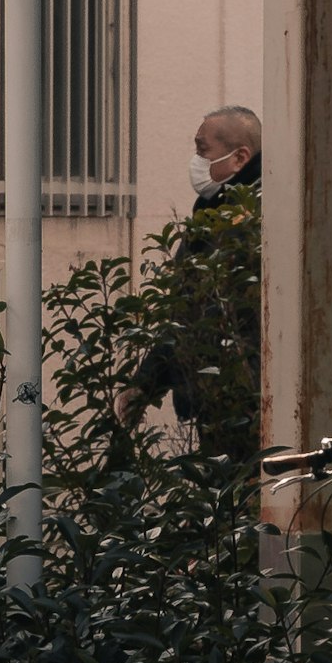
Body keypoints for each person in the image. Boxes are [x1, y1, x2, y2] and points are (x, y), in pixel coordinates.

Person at [130, 103, 261, 453]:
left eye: (203, 150)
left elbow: (192, 315)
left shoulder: (243, 225)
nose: (197, 161)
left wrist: (144, 387)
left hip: (237, 397)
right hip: (225, 393)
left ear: (239, 158)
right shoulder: (216, 214)